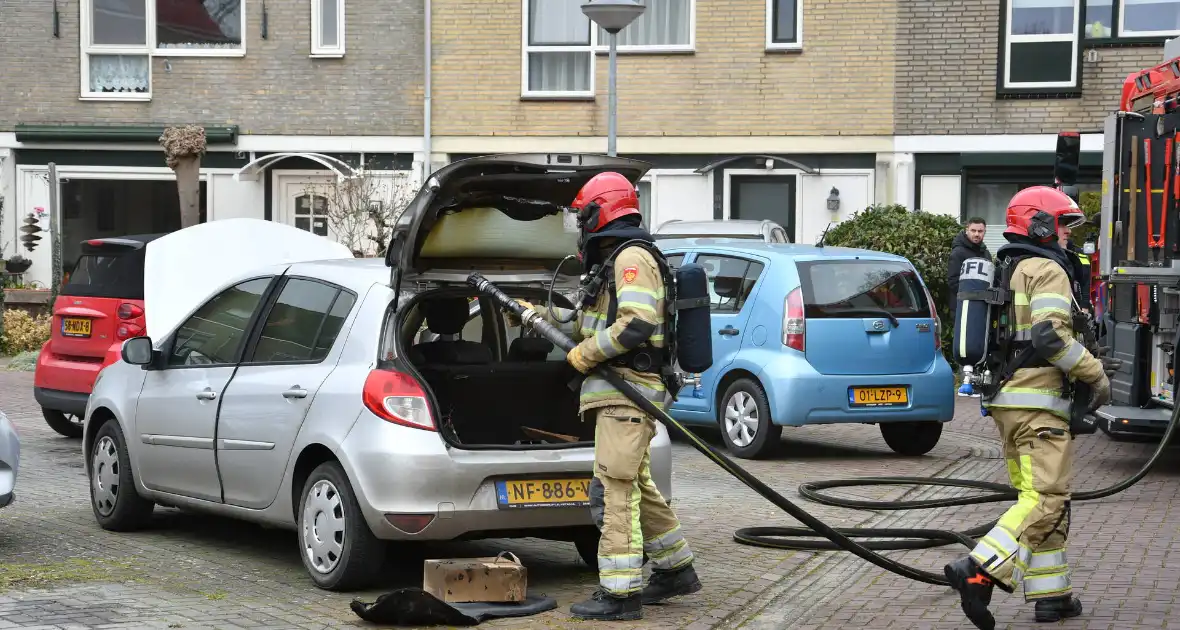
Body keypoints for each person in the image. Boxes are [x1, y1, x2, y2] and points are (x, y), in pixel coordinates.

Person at [509, 172, 699, 621]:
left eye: (583, 215)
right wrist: (536, 314)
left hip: (628, 392)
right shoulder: (612, 261)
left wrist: (582, 356)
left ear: (601, 210)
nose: (581, 225)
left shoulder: (631, 257)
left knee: (613, 489)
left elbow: (636, 323)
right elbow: (588, 325)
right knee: (636, 483)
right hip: (623, 393)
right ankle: (675, 569)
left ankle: (620, 594)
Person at [943, 186, 1118, 629]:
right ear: (1040, 225)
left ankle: (1051, 596)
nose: (1066, 236)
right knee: (1048, 497)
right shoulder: (1047, 270)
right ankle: (979, 568)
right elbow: (1049, 337)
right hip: (1038, 404)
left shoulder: (1009, 268)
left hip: (1007, 403)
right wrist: (1095, 375)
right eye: (1062, 226)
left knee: (1037, 497)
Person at [947, 217, 992, 306]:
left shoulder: (986, 254)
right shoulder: (958, 252)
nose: (976, 234)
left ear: (984, 232)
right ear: (967, 230)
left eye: (980, 231)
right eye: (973, 230)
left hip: (981, 306)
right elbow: (953, 281)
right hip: (961, 306)